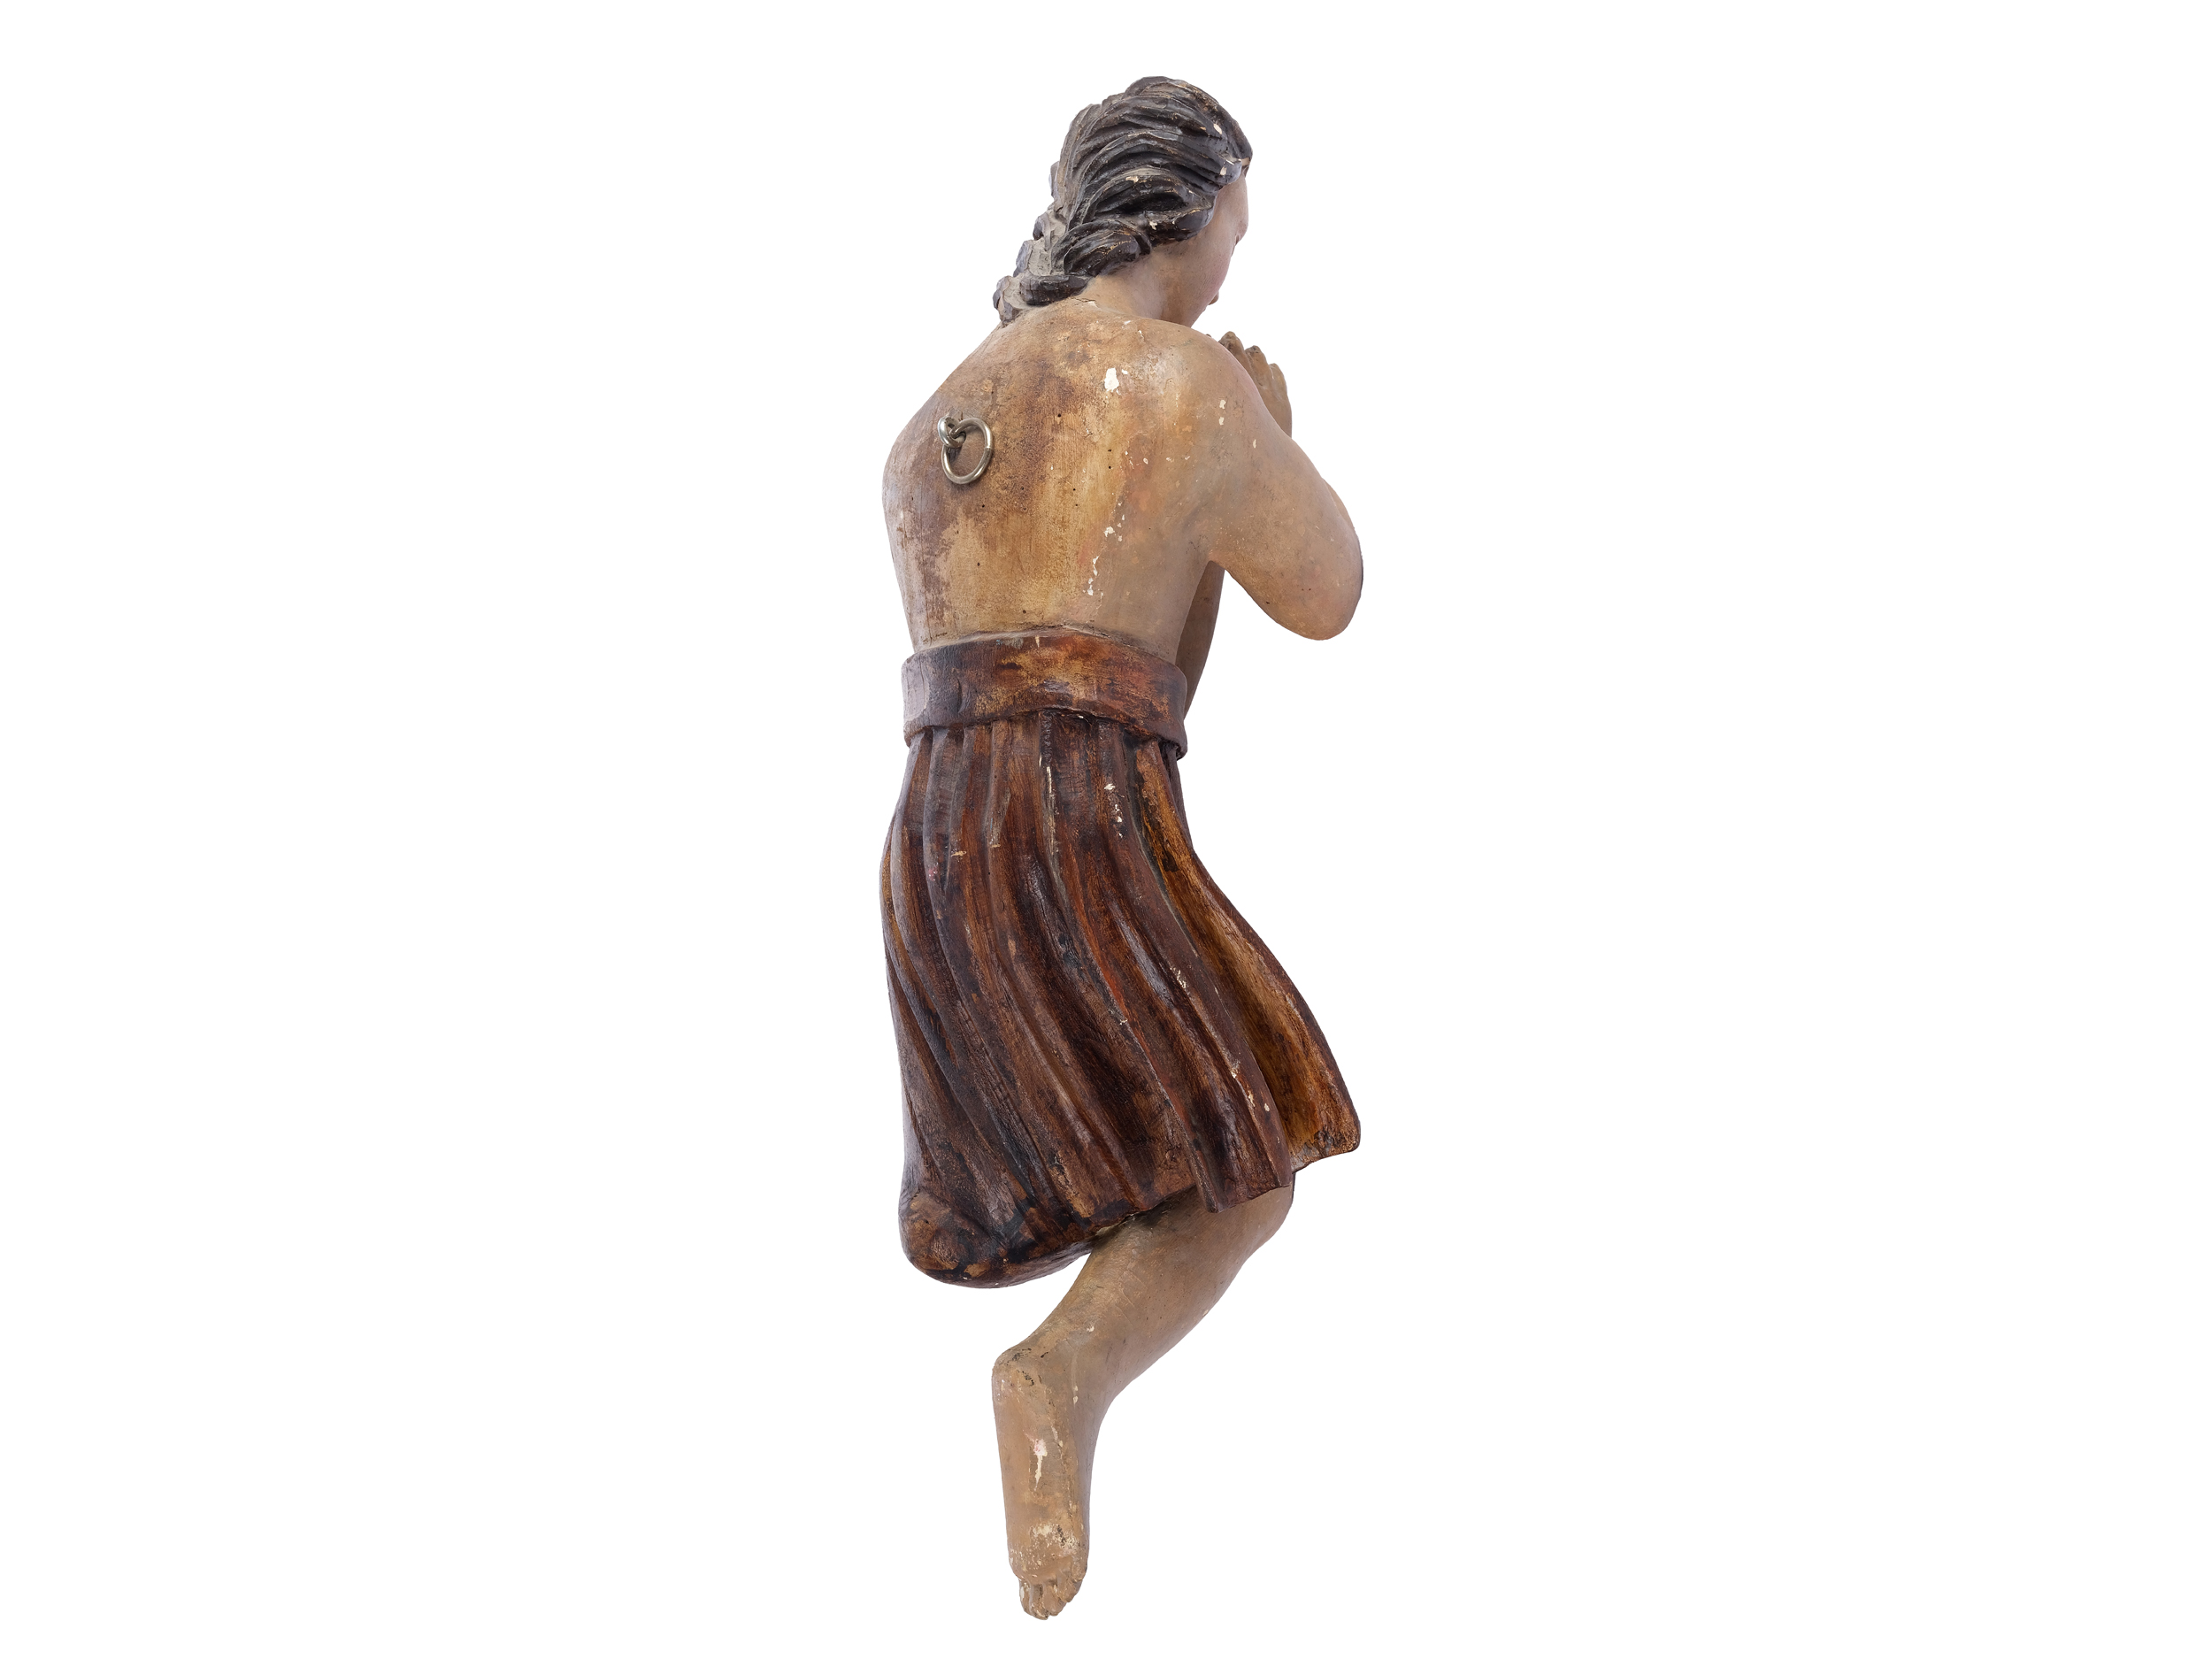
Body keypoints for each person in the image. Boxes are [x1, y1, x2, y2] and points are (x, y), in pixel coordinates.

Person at [878, 76, 1363, 1619]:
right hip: (1079, 814)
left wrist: (1201, 522)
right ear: (1184, 211)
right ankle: (1060, 1379)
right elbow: (1332, 592)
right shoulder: (1186, 386)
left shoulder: (934, 421)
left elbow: (1132, 673)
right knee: (1245, 1149)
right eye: (1233, 232)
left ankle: (1060, 1380)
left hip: (941, 835)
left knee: (1182, 1146)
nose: (1229, 270)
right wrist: (1264, 437)